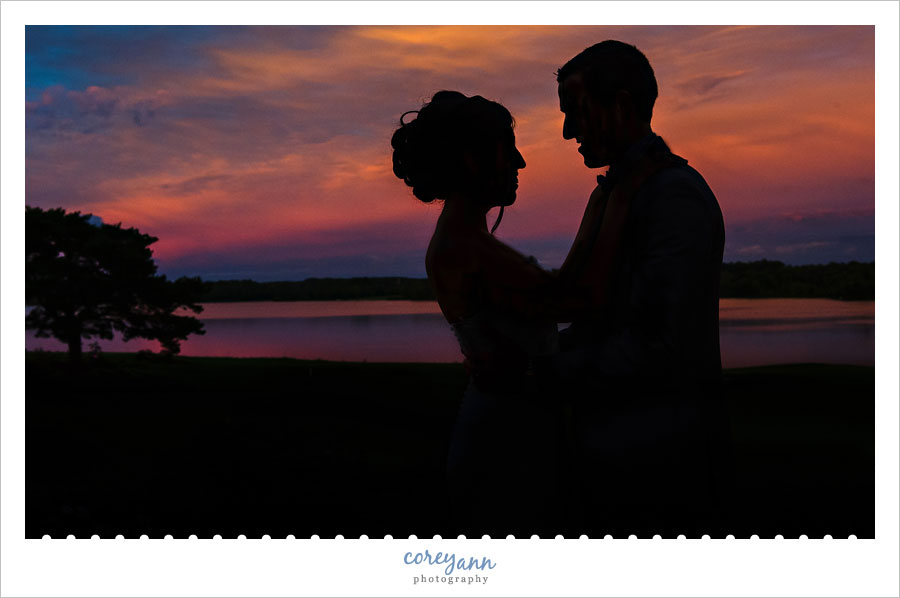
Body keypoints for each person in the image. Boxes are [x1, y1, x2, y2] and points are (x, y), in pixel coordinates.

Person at [552, 40, 729, 537]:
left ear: (623, 106)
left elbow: (664, 346)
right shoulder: (616, 195)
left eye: (577, 112)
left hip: (660, 471)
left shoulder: (673, 196)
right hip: (613, 461)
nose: (568, 131)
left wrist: (543, 370)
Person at [391, 91, 567, 537]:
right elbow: (581, 298)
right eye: (508, 149)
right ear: (472, 160)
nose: (521, 162)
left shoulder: (461, 242)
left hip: (501, 426)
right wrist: (611, 206)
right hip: (506, 441)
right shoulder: (469, 249)